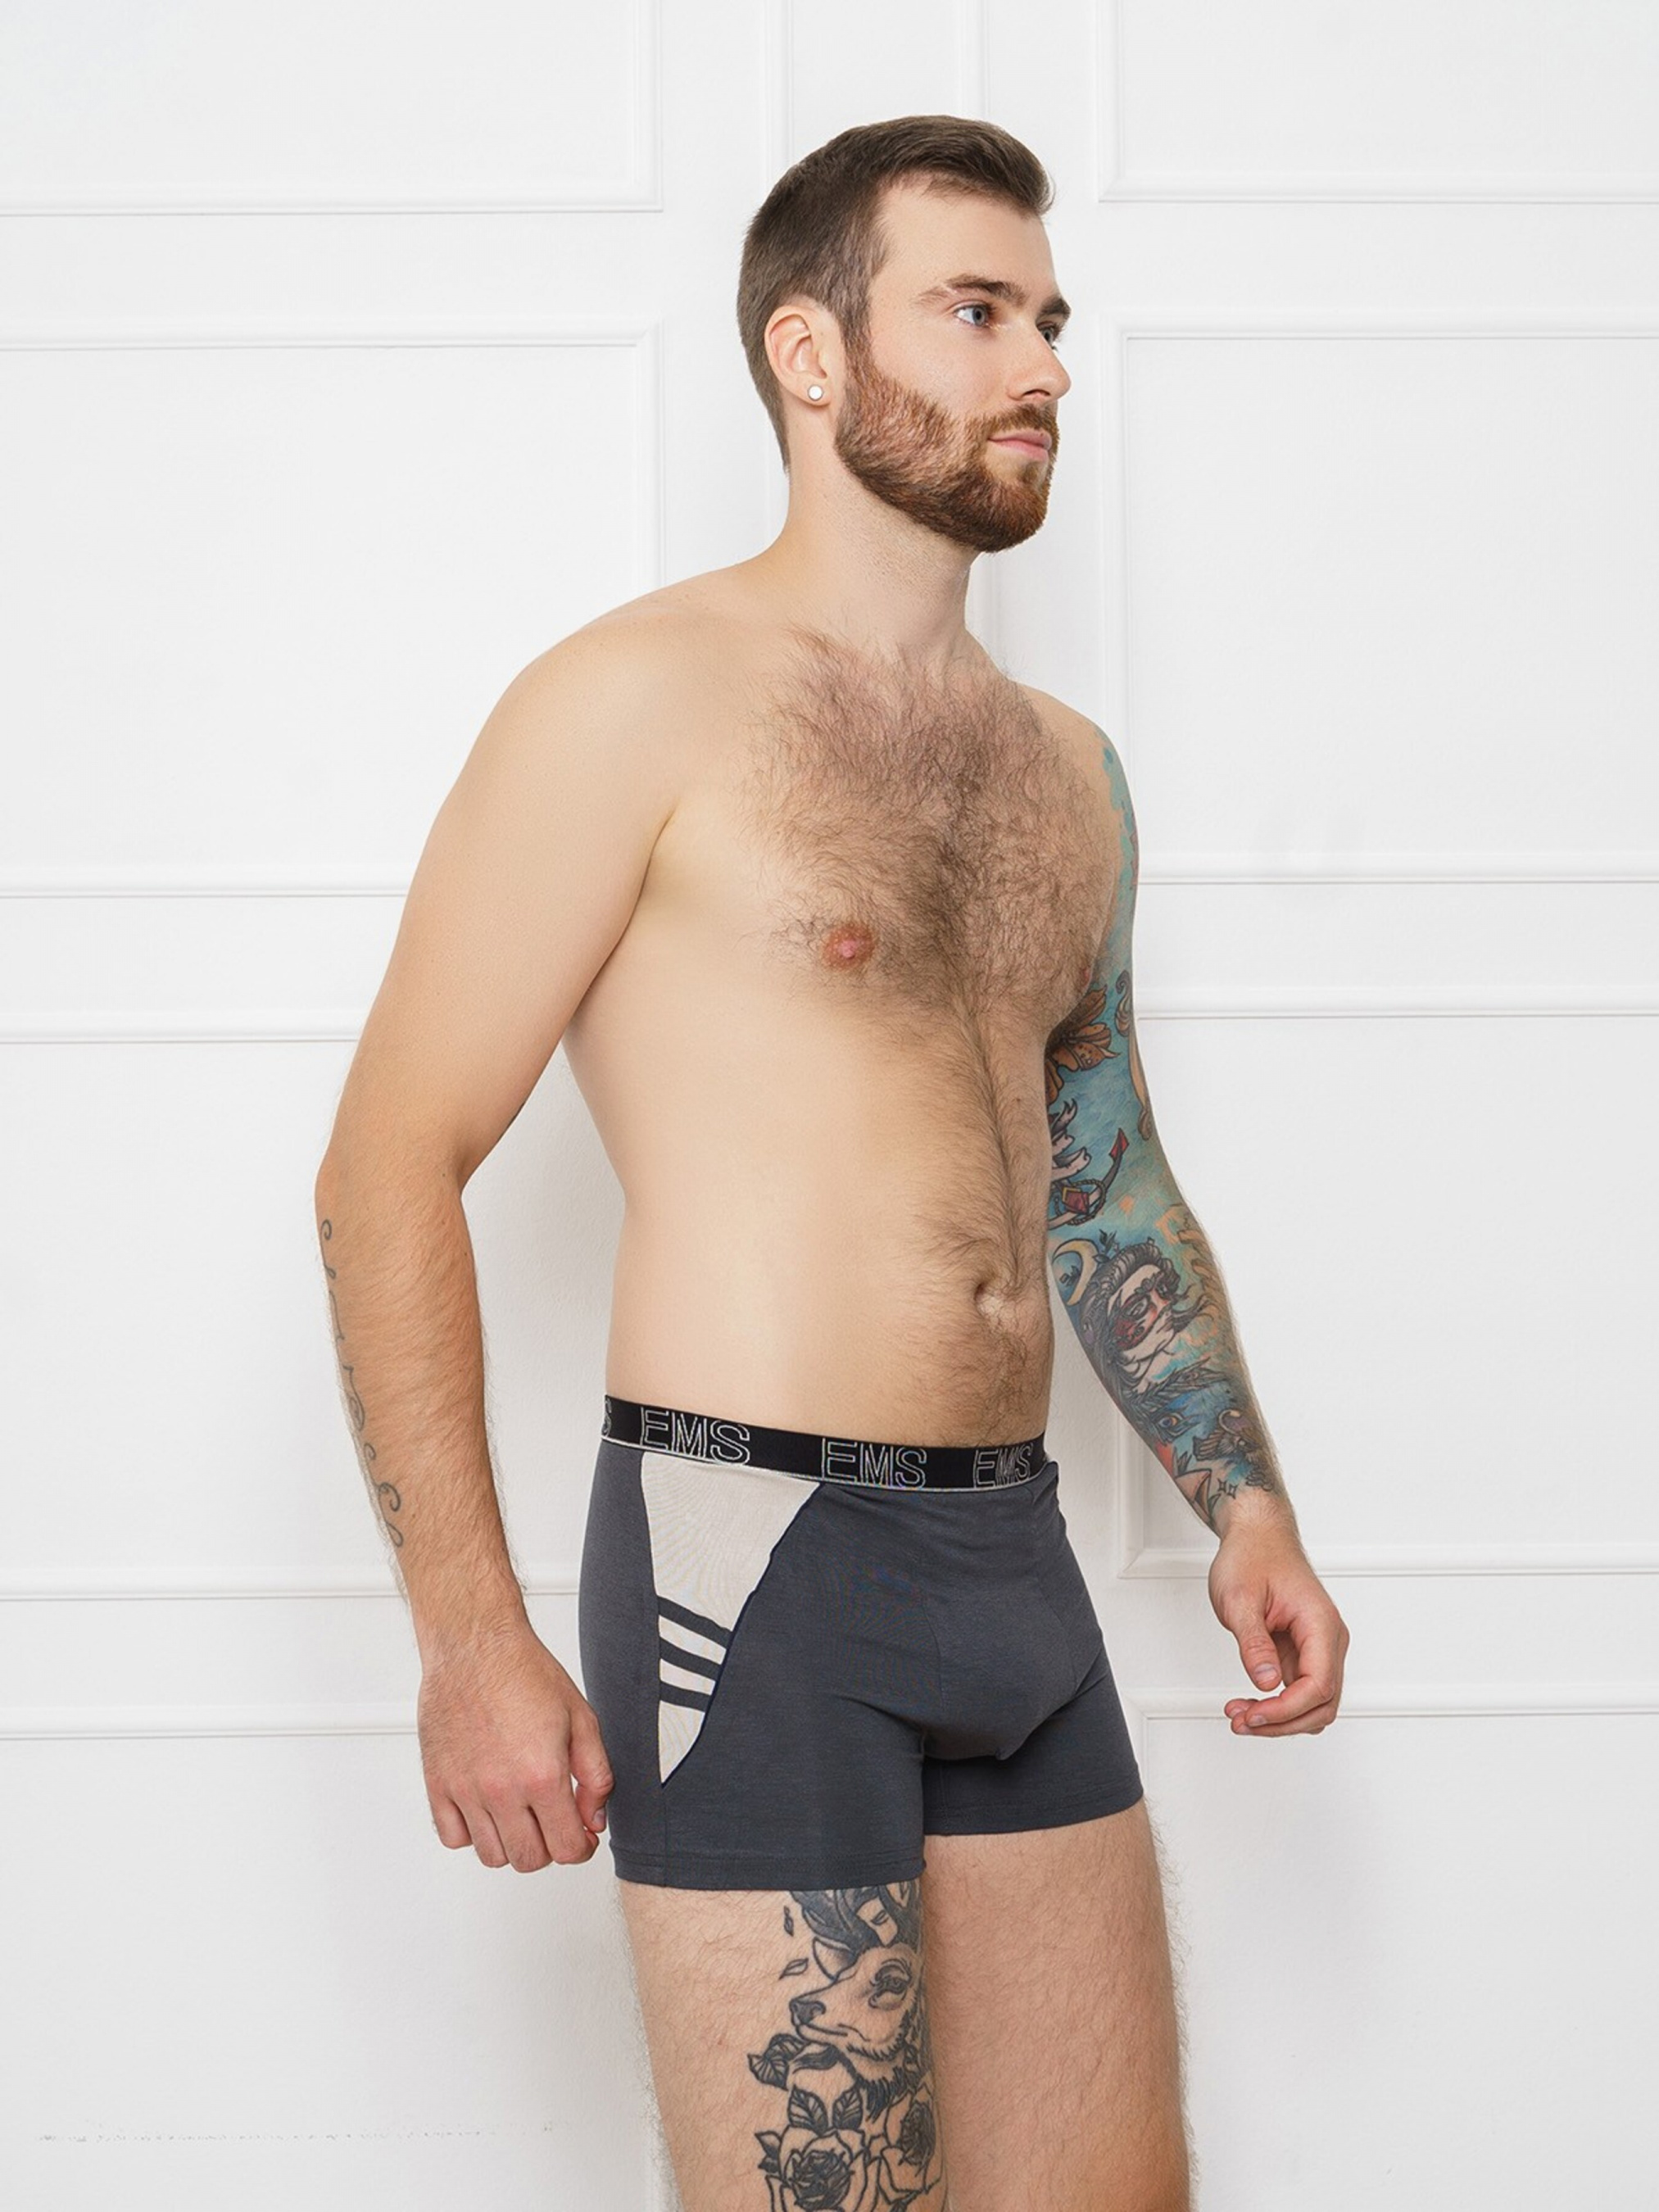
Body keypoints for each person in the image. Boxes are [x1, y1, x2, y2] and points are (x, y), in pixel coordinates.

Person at [313, 114, 1349, 2212]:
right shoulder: (631, 700)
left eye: (1047, 319)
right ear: (808, 353)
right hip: (749, 1563)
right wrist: (468, 1638)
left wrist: (1242, 1503)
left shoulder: (1064, 776)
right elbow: (386, 1166)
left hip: (1012, 1561)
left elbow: (1100, 1169)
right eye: (974, 312)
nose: (1040, 365)